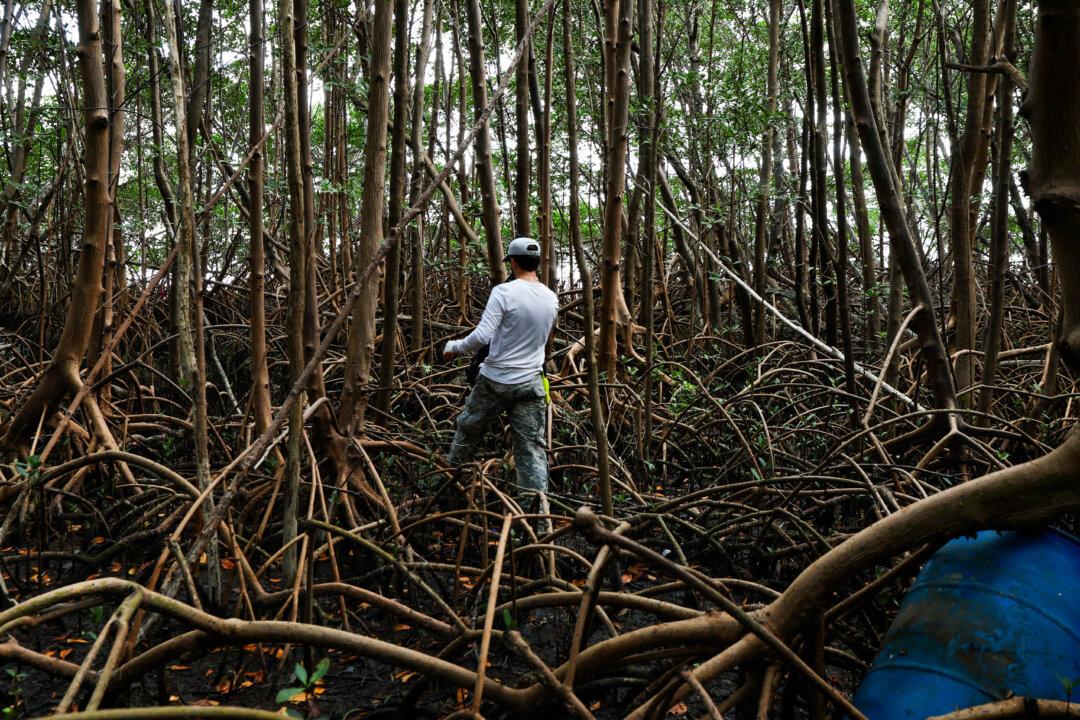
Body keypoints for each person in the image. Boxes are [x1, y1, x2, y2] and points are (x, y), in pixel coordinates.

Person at [443, 237, 559, 500]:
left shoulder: (504, 292)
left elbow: (482, 336)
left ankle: (448, 493)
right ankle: (537, 517)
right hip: (531, 384)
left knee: (467, 432)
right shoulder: (551, 299)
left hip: (494, 381)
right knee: (530, 449)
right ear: (536, 264)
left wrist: (454, 346)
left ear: (514, 262)